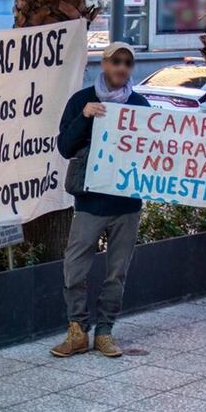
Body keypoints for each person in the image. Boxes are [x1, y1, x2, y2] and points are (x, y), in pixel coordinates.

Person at [51, 42, 151, 358]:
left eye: (127, 63)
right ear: (104, 63)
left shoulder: (140, 104)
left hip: (126, 204)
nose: (122, 67)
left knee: (116, 273)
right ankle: (77, 330)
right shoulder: (82, 100)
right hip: (90, 203)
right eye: (116, 61)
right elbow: (64, 147)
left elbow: (153, 150)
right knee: (74, 269)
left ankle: (105, 332)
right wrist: (84, 117)